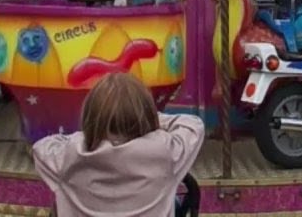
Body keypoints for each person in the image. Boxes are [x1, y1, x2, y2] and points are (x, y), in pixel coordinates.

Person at [32, 72, 205, 217]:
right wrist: (151, 120)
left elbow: (41, 147)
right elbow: (193, 125)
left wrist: (91, 133)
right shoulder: (165, 152)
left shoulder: (69, 154)